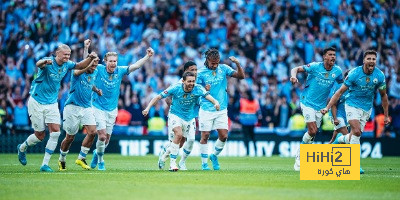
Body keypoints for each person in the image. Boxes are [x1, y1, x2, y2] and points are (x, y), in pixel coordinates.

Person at [16, 44, 98, 172]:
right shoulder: (48, 62)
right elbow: (39, 64)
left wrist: (90, 57)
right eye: (65, 54)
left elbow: (81, 65)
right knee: (40, 136)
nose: (67, 56)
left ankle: (45, 164)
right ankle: (22, 148)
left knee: (56, 132)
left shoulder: (67, 64)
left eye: (69, 54)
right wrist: (43, 61)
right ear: (57, 53)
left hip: (52, 103)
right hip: (36, 101)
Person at [321, 50, 390, 174]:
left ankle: (341, 139)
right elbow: (339, 92)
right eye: (369, 59)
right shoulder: (354, 73)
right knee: (357, 131)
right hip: (352, 105)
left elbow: (384, 96)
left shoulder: (379, 75)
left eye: (374, 59)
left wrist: (386, 115)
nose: (371, 61)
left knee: (355, 135)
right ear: (364, 60)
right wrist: (327, 107)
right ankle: (355, 166)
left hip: (367, 109)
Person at [90, 46, 154, 170]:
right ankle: (101, 160)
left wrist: (147, 56)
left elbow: (135, 66)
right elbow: (85, 67)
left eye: (115, 61)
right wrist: (86, 49)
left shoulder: (120, 71)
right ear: (105, 61)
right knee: (102, 136)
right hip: (98, 107)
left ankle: (96, 153)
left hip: (112, 109)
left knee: (107, 139)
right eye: (111, 61)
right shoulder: (98, 69)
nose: (113, 63)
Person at [143, 71, 220, 171]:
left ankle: (164, 154)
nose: (191, 83)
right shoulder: (175, 87)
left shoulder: (198, 88)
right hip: (175, 115)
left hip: (189, 118)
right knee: (178, 134)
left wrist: (216, 103)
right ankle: (172, 164)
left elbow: (209, 97)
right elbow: (158, 97)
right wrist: (147, 108)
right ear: (183, 81)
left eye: (193, 81)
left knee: (181, 144)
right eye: (189, 81)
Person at [290, 47, 343, 171]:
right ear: (324, 57)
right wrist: (293, 76)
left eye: (334, 55)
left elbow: (341, 85)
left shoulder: (338, 71)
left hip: (321, 107)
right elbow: (295, 69)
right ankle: (299, 156)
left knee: (312, 135)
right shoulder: (314, 67)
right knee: (312, 130)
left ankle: (303, 155)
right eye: (330, 55)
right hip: (307, 102)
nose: (333, 57)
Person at [197, 48, 245, 170]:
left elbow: (241, 76)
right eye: (213, 63)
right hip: (206, 108)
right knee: (205, 135)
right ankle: (204, 164)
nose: (215, 65)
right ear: (207, 60)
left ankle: (214, 156)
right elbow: (195, 90)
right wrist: (204, 89)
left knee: (224, 136)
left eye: (217, 62)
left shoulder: (223, 68)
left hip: (222, 109)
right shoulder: (200, 73)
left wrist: (238, 64)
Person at [57, 42, 102, 171]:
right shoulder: (77, 72)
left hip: (87, 107)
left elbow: (90, 83)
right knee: (70, 137)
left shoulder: (95, 70)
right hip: (72, 107)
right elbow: (80, 68)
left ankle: (81, 158)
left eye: (95, 66)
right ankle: (62, 159)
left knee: (93, 132)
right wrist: (87, 53)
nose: (94, 68)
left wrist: (96, 90)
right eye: (92, 66)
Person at [158, 61, 198, 170]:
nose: (195, 72)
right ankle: (167, 157)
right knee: (178, 141)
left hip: (191, 116)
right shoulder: (179, 84)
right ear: (185, 72)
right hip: (177, 116)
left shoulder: (196, 83)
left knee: (190, 140)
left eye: (195, 70)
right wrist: (178, 106)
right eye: (192, 70)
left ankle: (181, 162)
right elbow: (167, 98)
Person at [328, 70, 350, 144]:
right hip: (337, 115)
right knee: (348, 138)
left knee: (341, 139)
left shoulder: (355, 89)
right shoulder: (340, 87)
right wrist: (335, 119)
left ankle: (330, 145)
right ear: (346, 78)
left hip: (345, 116)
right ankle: (354, 154)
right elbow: (334, 104)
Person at [238, 90, 260, 156]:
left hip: (244, 122)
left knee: (246, 137)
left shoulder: (242, 101)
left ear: (247, 95)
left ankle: (247, 152)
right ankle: (256, 151)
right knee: (253, 137)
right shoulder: (255, 102)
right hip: (252, 122)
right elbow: (258, 112)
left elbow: (238, 108)